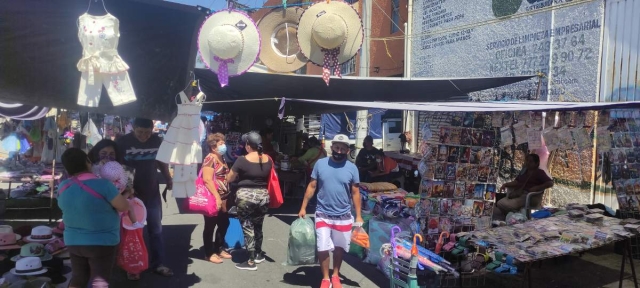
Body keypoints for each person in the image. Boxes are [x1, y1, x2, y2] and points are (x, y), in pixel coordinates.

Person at [57, 148, 130, 288]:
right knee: (99, 281)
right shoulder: (104, 185)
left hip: (73, 242)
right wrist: (126, 194)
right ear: (88, 162)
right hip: (101, 242)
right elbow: (123, 207)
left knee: (78, 278)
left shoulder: (63, 187)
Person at [298, 134, 364, 288]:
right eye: (336, 147)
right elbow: (312, 186)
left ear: (347, 151)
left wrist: (359, 215)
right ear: (331, 147)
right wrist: (303, 207)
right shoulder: (320, 164)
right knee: (322, 247)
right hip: (323, 214)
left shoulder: (352, 168)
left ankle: (335, 275)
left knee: (339, 248)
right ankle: (326, 278)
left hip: (343, 215)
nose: (339, 151)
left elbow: (355, 192)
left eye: (342, 148)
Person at [116, 118, 174, 277]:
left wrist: (168, 178)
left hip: (152, 191)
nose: (144, 136)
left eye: (147, 132)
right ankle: (133, 267)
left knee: (156, 230)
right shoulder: (122, 142)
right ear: (133, 128)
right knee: (133, 231)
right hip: (131, 194)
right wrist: (127, 189)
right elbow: (119, 167)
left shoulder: (157, 140)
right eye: (140, 132)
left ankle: (158, 263)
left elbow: (162, 162)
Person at [225, 132, 273, 271]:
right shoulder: (268, 159)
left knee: (247, 227)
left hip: (246, 197)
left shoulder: (242, 160)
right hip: (263, 196)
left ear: (248, 145)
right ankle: (258, 254)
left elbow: (230, 178)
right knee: (258, 225)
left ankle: (251, 261)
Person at [89, 139, 144, 230]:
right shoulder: (89, 171)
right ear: (96, 153)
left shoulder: (126, 171)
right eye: (103, 153)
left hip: (116, 219)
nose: (107, 157)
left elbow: (129, 194)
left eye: (111, 154)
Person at [201, 133, 233, 264]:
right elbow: (207, 179)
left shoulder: (222, 158)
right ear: (213, 147)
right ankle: (209, 253)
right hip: (214, 198)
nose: (224, 145)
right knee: (210, 226)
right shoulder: (210, 158)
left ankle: (218, 248)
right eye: (221, 144)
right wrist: (217, 198)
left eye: (223, 143)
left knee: (224, 223)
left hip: (224, 197)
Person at [494, 154, 554, 221]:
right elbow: (516, 181)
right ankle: (514, 215)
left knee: (506, 205)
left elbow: (550, 183)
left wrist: (537, 187)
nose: (528, 163)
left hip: (530, 196)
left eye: (530, 161)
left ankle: (516, 216)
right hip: (519, 193)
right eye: (527, 161)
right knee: (500, 203)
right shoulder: (524, 171)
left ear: (537, 163)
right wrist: (506, 184)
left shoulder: (540, 172)